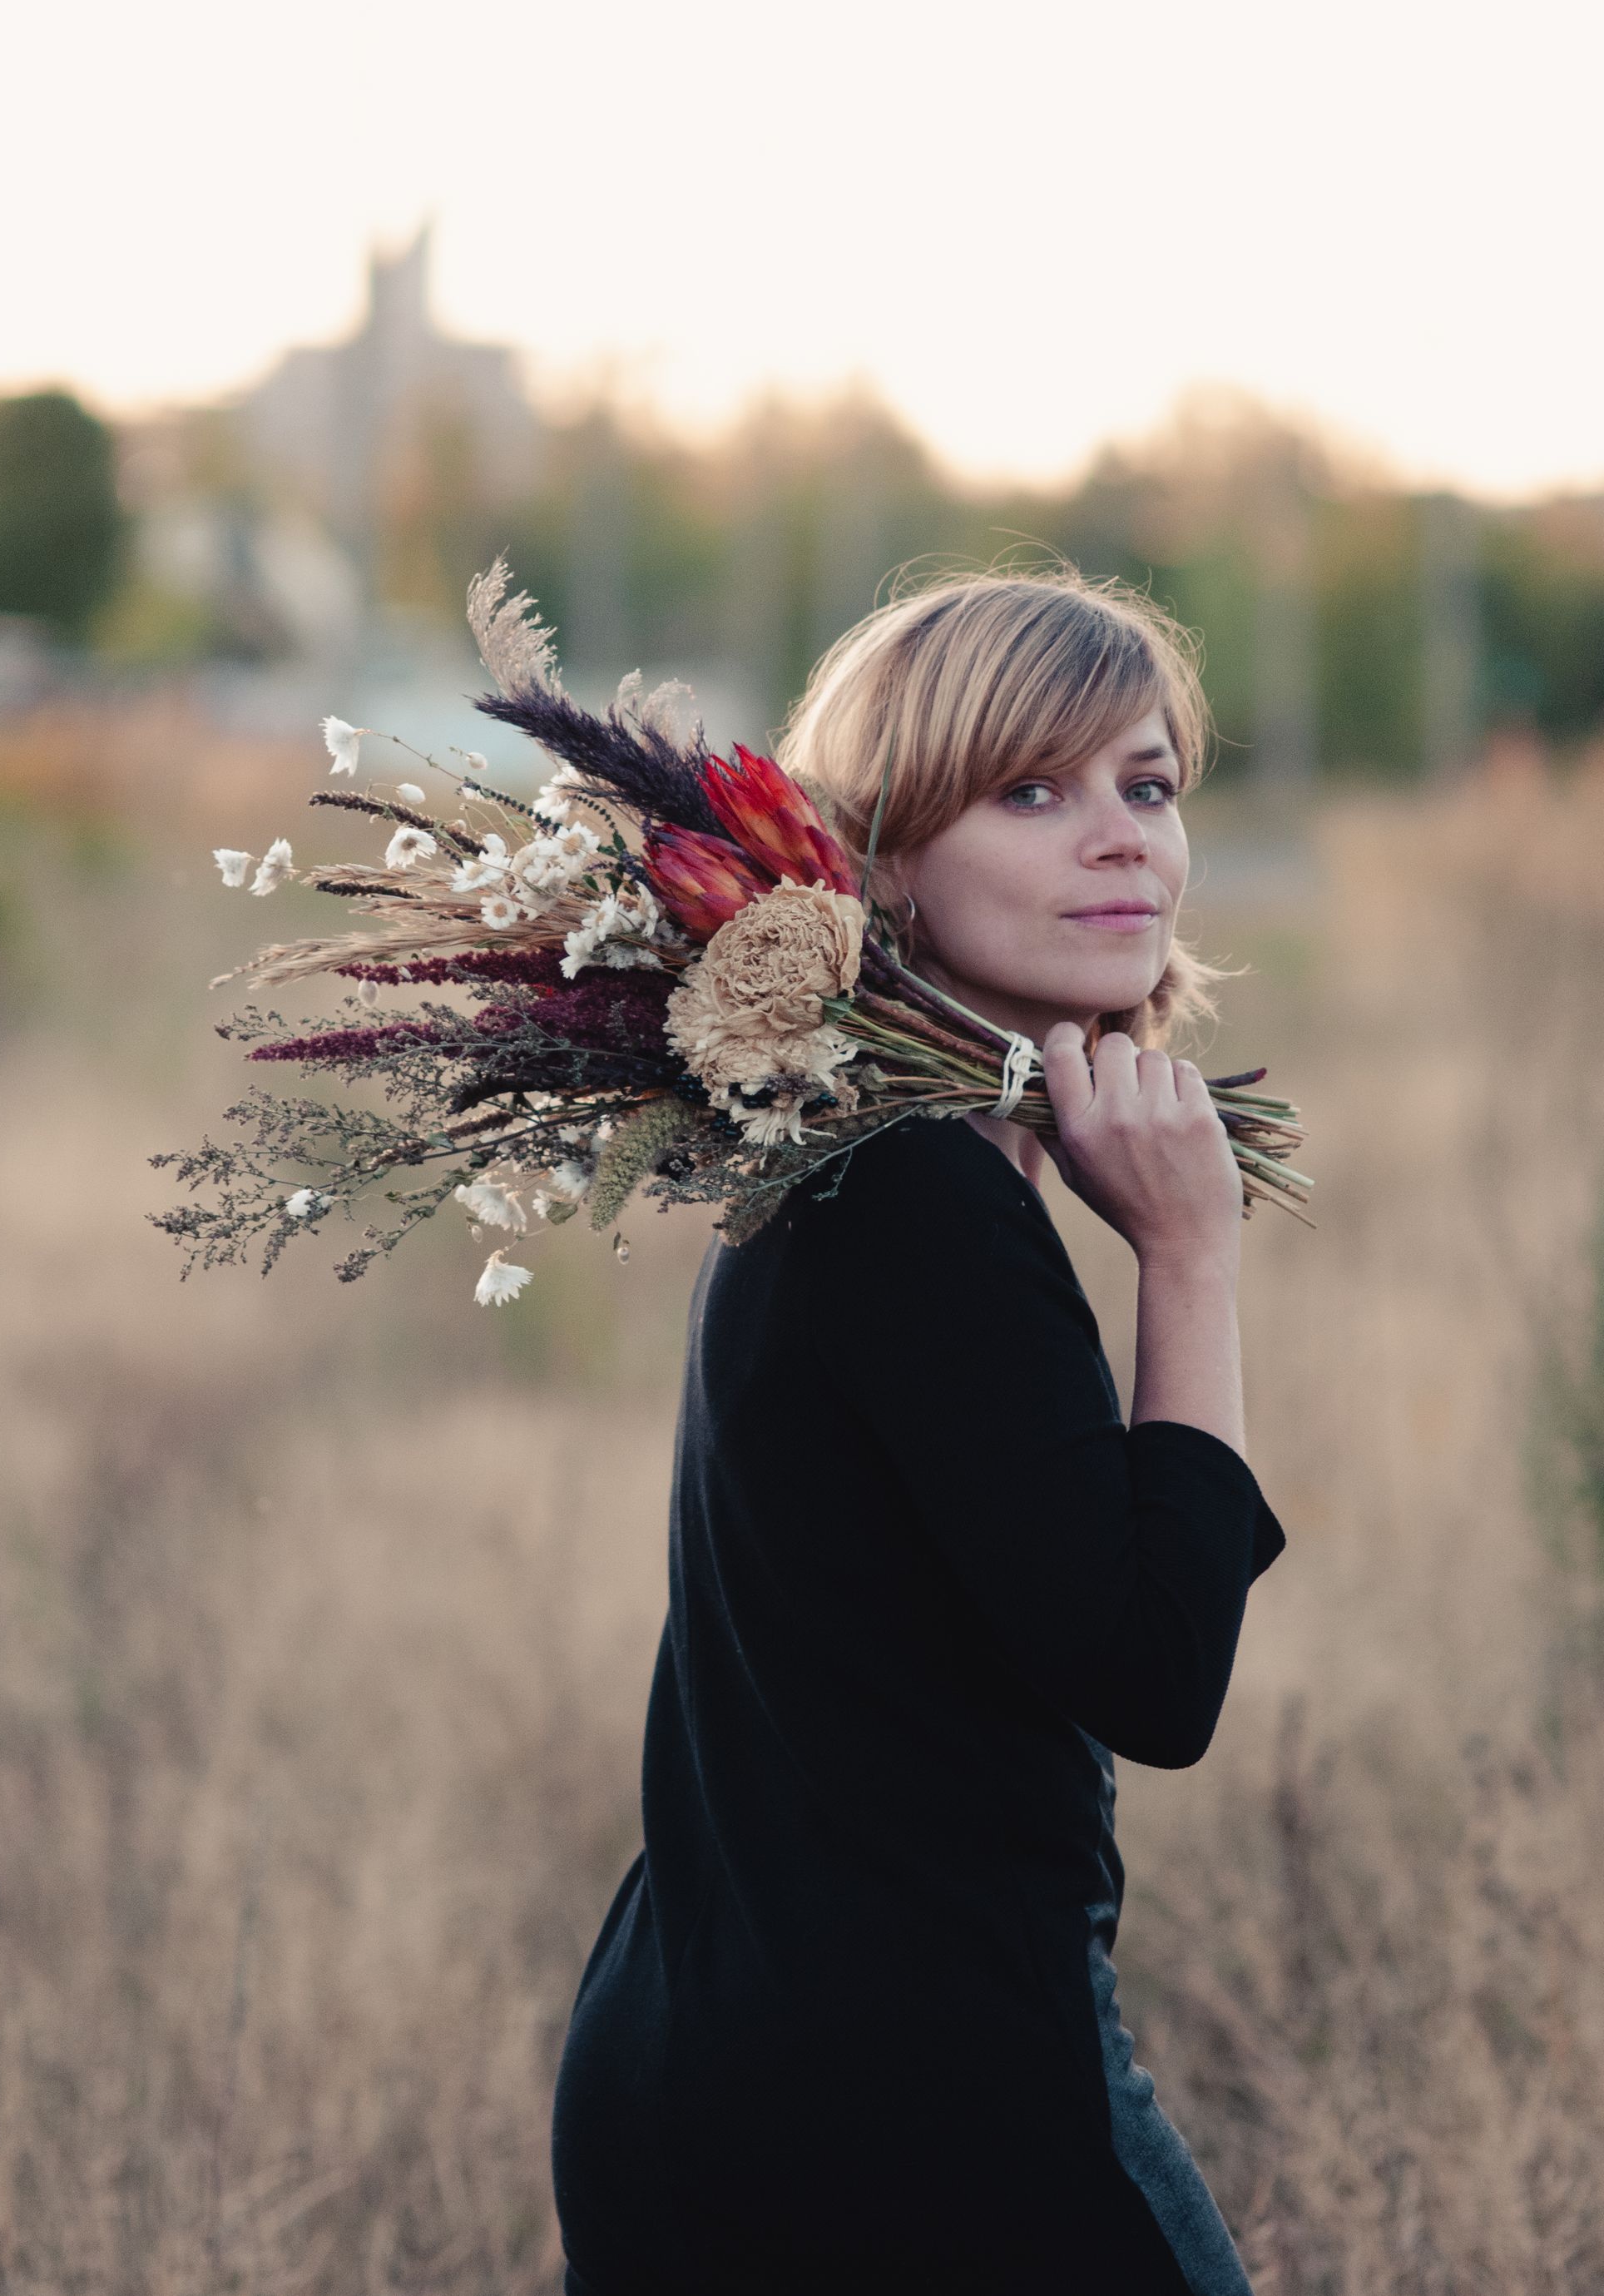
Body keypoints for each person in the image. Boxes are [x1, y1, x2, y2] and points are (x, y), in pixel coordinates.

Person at [552, 569, 1287, 2295]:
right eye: (1026, 792)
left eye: (1144, 785)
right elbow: (1156, 1673)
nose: (1116, 838)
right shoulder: (915, 1201)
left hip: (722, 2050)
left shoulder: (853, 1169)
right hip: (921, 2112)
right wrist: (1189, 1251)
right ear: (875, 862)